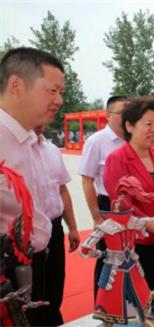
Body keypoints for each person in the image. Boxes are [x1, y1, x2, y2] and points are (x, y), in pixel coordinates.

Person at [0, 47, 65, 326]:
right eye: (52, 91)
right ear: (16, 85)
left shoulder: (25, 140)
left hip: (34, 261)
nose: (59, 100)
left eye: (61, 92)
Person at [103, 96, 154, 290]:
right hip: (135, 246)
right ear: (129, 126)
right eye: (148, 124)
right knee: (136, 300)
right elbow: (124, 208)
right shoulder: (117, 159)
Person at [78, 95, 128, 299]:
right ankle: (102, 306)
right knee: (107, 259)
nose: (126, 117)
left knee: (128, 259)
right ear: (108, 115)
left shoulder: (131, 140)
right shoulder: (96, 142)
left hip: (130, 208)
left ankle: (124, 302)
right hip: (107, 207)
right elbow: (87, 180)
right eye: (121, 113)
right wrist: (97, 217)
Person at [33, 125, 80, 325]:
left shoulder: (51, 150)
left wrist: (73, 227)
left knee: (54, 284)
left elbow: (62, 190)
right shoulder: (11, 148)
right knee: (31, 293)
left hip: (54, 227)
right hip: (26, 234)